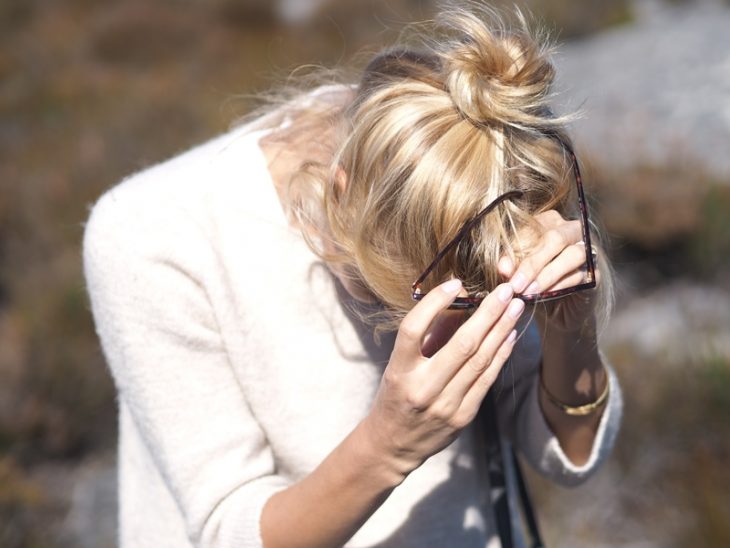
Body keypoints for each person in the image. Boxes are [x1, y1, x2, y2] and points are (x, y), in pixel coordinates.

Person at [83, 4, 622, 547]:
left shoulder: (463, 156)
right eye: (421, 296)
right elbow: (227, 530)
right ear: (341, 196)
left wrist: (568, 327)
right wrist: (388, 447)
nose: (453, 320)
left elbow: (569, 456)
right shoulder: (152, 237)